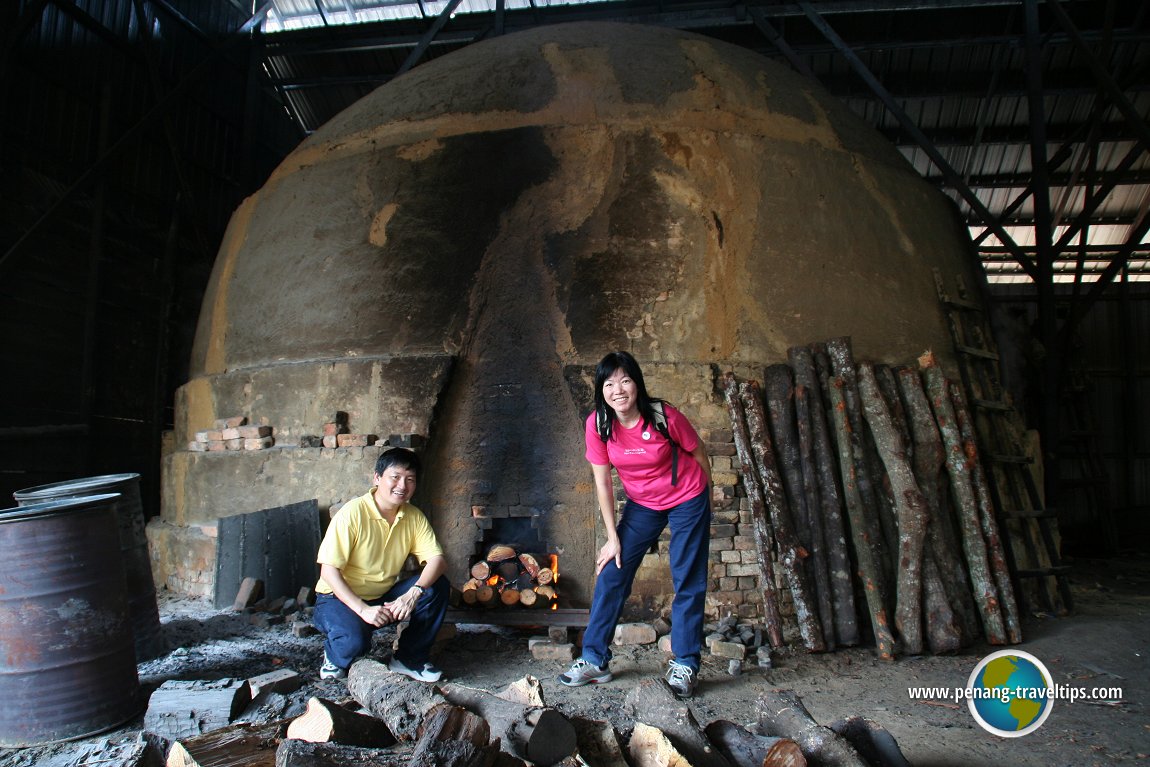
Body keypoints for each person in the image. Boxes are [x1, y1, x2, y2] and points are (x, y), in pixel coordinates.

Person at [559, 351, 712, 698]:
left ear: (637, 383)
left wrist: (708, 499)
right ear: (602, 391)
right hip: (643, 504)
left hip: (687, 497)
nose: (618, 389)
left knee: (686, 573)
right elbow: (602, 484)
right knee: (612, 571)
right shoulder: (598, 425)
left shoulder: (662, 416)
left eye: (625, 380)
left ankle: (685, 662)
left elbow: (698, 453)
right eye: (609, 383)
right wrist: (612, 538)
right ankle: (594, 659)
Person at [313, 447, 450, 682]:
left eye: (410, 480)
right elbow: (328, 570)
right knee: (355, 643)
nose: (402, 486)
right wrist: (362, 609)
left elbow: (437, 561)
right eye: (395, 477)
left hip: (382, 597)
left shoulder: (413, 516)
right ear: (377, 478)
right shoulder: (352, 513)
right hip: (337, 598)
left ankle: (408, 659)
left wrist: (413, 593)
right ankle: (334, 656)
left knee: (436, 586)